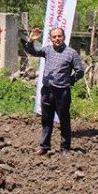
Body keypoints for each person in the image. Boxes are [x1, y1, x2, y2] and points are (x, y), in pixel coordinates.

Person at [22, 27, 85, 155]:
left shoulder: (71, 53)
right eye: (54, 37)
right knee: (46, 119)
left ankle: (65, 148)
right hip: (47, 90)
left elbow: (80, 71)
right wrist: (31, 40)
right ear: (50, 38)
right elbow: (32, 51)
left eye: (59, 36)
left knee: (64, 120)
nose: (57, 39)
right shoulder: (47, 50)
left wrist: (70, 80)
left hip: (62, 92)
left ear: (64, 37)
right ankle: (44, 146)